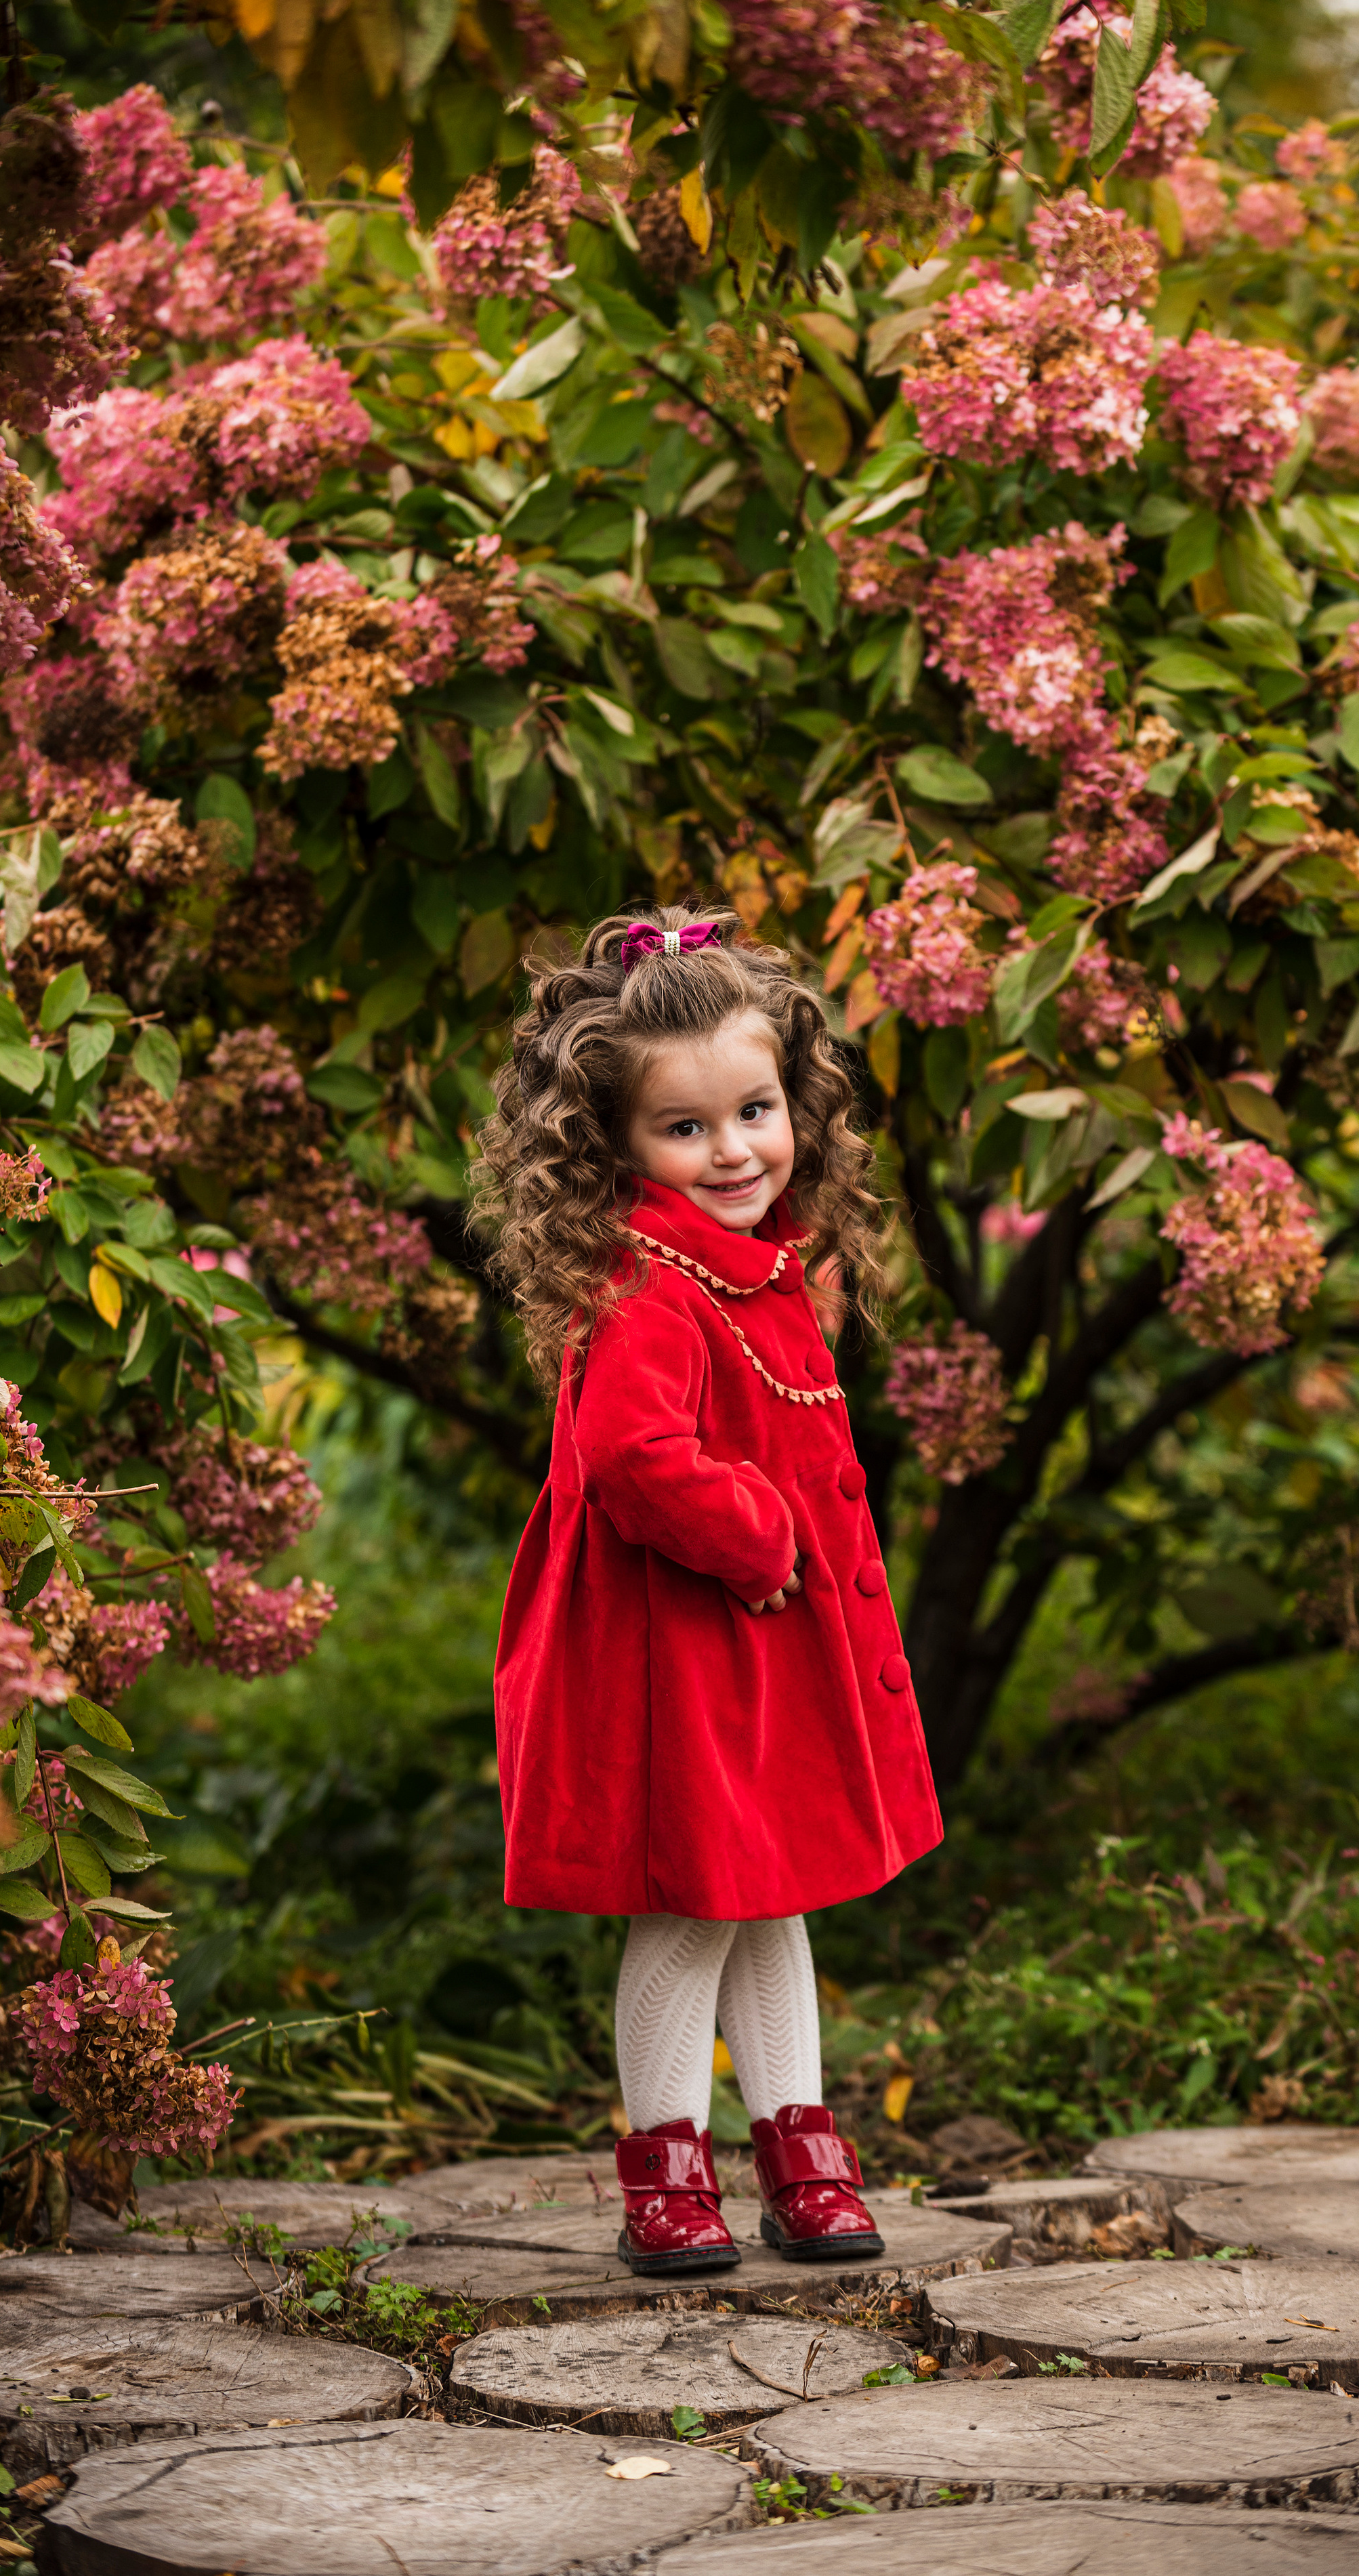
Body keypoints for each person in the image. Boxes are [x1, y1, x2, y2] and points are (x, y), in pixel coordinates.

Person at [474, 906, 942, 2275]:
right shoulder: (645, 1284)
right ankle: (665, 2175)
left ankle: (801, 2152)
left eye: (754, 1109)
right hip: (682, 1646)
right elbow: (631, 1456)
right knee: (688, 1904)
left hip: (752, 1651)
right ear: (611, 1145)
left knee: (776, 1892)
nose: (733, 1148)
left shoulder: (765, 1263)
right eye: (685, 1129)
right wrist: (757, 1529)